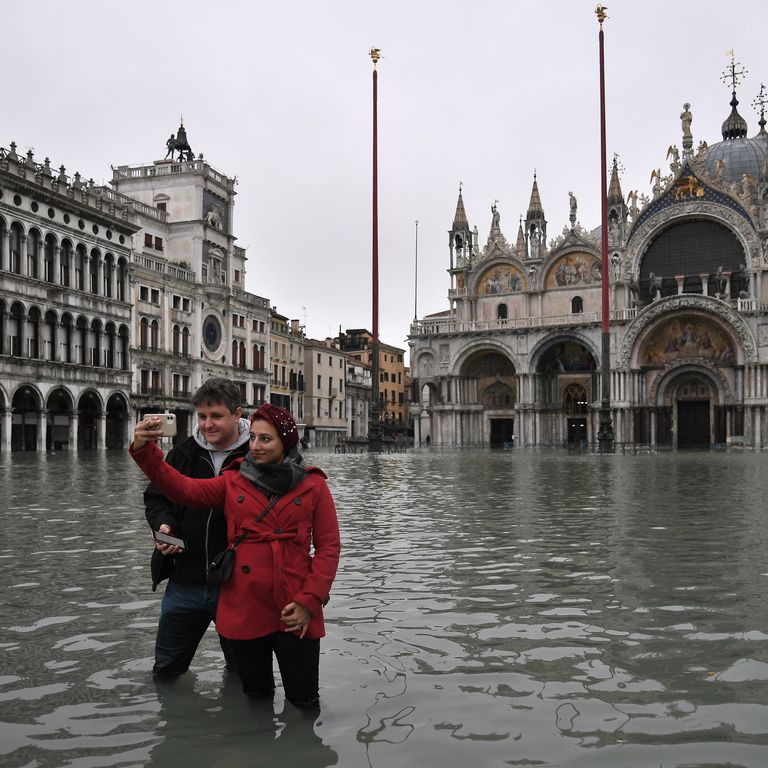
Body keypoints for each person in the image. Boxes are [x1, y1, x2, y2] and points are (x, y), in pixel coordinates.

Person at [132, 403, 340, 708]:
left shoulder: (314, 485)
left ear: (286, 442)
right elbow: (182, 489)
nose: (254, 446)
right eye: (253, 437)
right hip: (245, 605)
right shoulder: (233, 481)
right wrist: (144, 450)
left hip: (295, 606)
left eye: (265, 439)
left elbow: (328, 548)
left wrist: (310, 601)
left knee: (304, 700)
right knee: (255, 698)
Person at [144, 378, 251, 677]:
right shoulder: (182, 453)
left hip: (237, 585)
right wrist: (164, 526)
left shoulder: (258, 456)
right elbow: (156, 499)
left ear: (237, 413)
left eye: (216, 416)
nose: (207, 425)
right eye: (202, 417)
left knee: (244, 673)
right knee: (165, 670)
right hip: (184, 579)